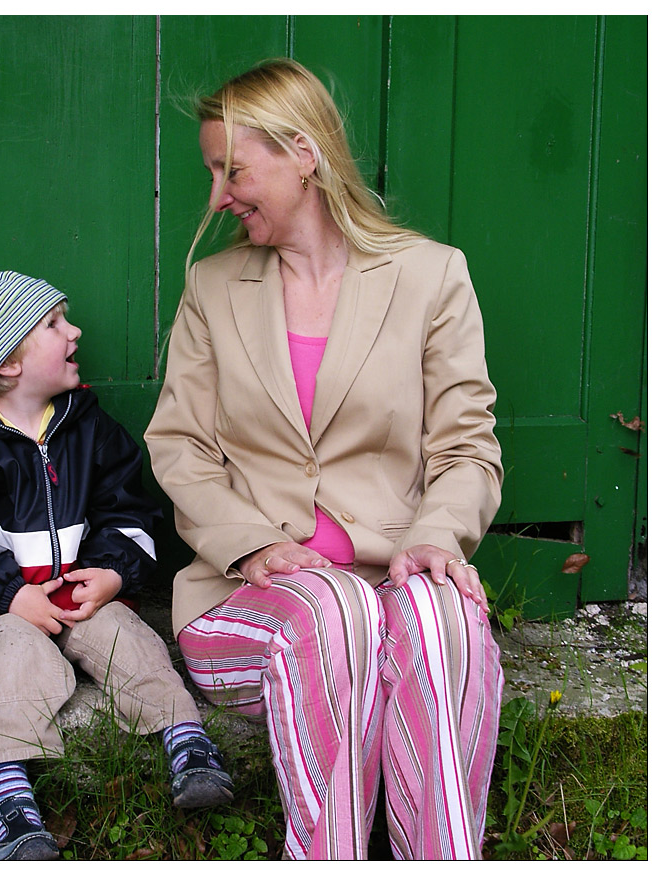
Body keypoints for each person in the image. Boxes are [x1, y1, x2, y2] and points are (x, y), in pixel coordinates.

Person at [144, 59, 504, 861]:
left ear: (303, 153)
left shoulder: (429, 276)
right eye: (212, 173)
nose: (216, 197)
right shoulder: (213, 287)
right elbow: (180, 446)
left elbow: (465, 446)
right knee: (332, 606)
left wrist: (437, 538)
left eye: (230, 170)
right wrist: (250, 542)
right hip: (253, 604)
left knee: (438, 610)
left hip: (389, 589)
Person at [0, 270, 233, 861]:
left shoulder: (89, 429)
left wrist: (113, 570)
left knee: (127, 638)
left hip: (79, 590)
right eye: (54, 324)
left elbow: (127, 509)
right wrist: (8, 595)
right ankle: (7, 792)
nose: (74, 331)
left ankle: (185, 739)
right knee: (7, 659)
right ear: (7, 363)